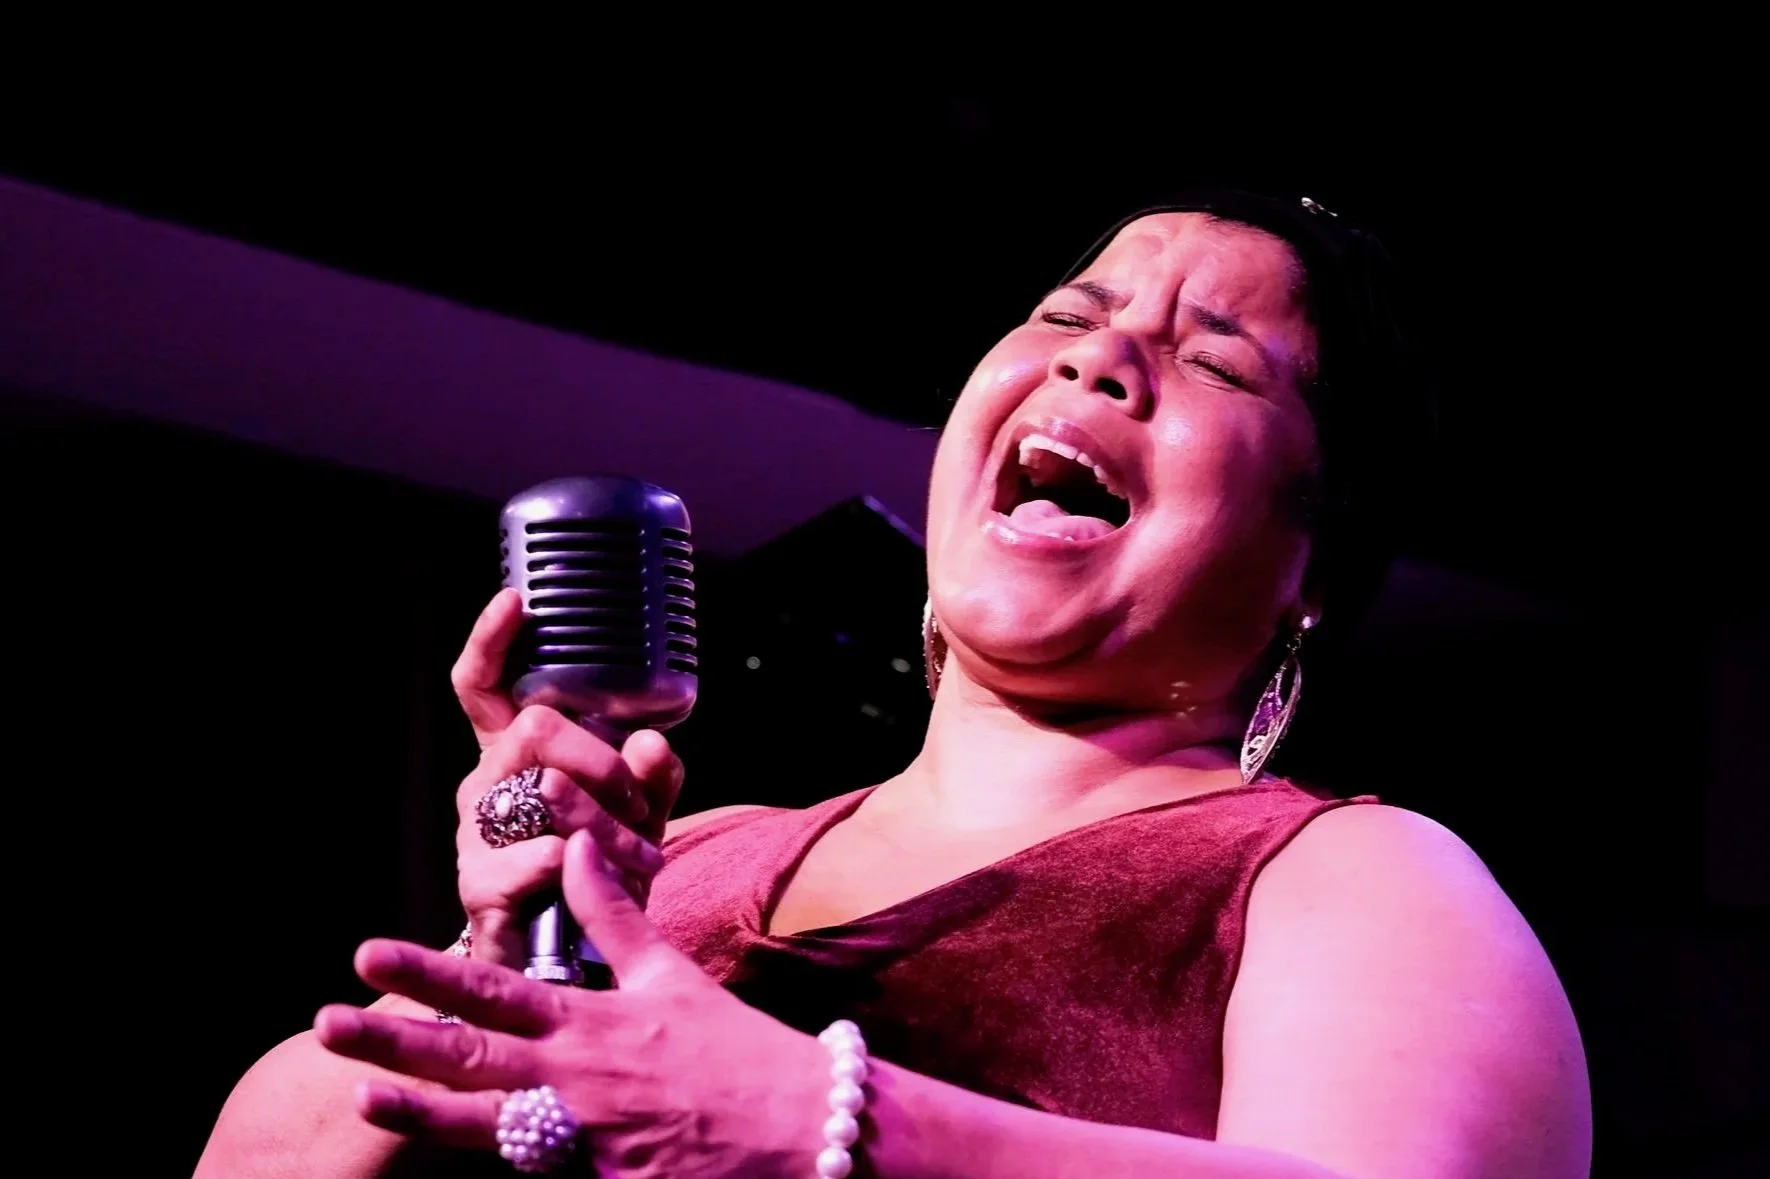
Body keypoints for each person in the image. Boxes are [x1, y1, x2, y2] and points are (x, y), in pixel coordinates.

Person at [196, 190, 1592, 1179]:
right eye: (1067, 312)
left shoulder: (1350, 876)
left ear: (1310, 568)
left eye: (1213, 360)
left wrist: (829, 1121)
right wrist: (505, 967)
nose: (1098, 355)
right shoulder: (682, 851)